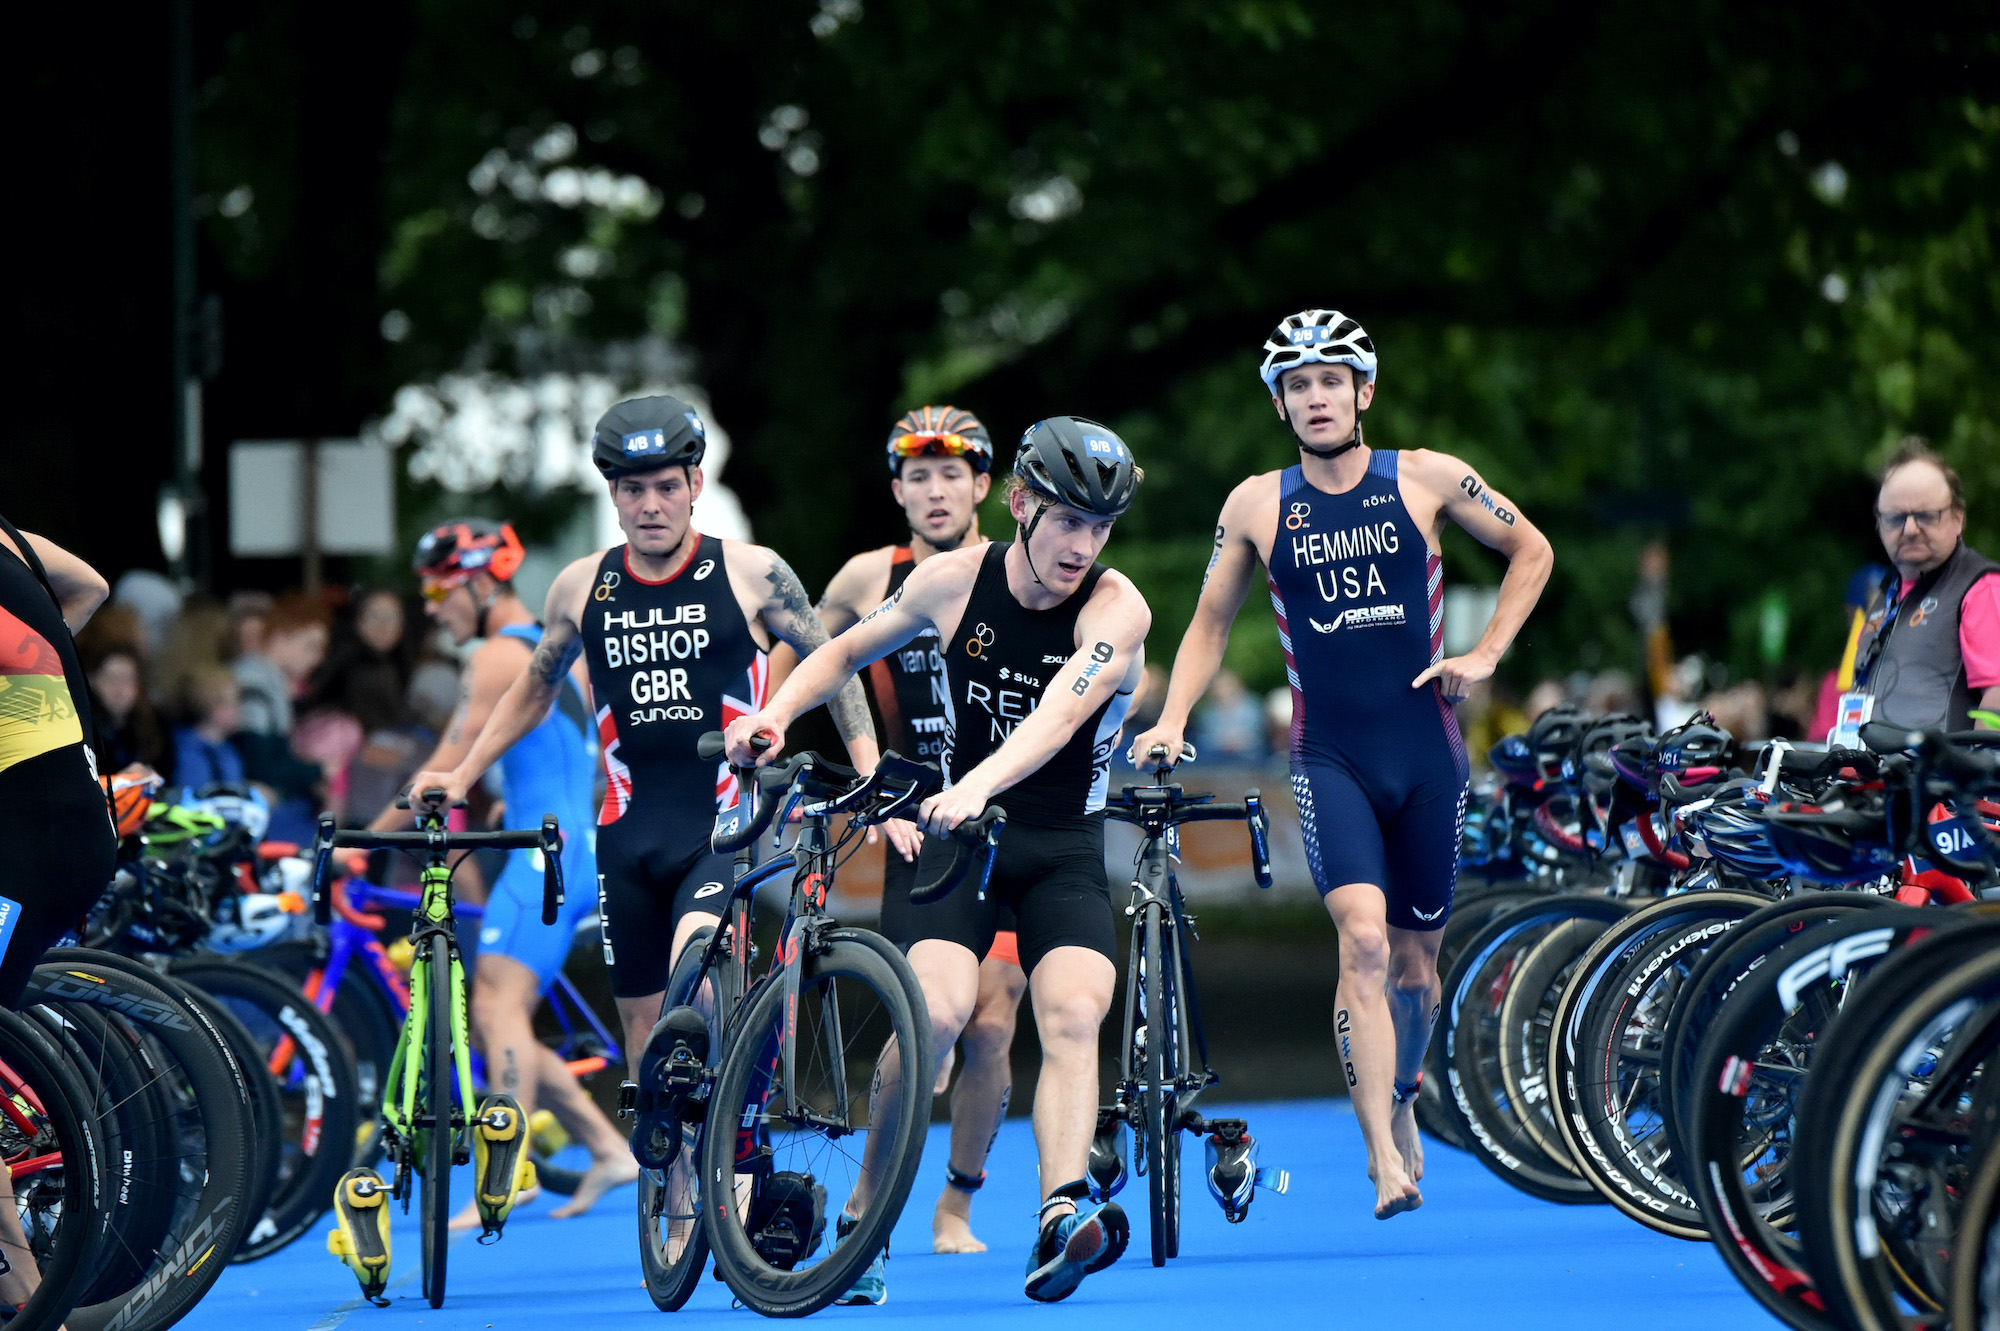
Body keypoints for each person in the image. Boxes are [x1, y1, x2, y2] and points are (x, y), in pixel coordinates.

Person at [1128, 308, 1553, 1221]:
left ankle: (1403, 1097)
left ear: (1363, 392)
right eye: (1297, 386)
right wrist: (1169, 717)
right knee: (1361, 938)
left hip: (1428, 752)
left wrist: (1486, 653)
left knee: (1415, 966)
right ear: (1280, 405)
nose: (1315, 397)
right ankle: (1379, 1155)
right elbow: (1208, 622)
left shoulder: (1429, 477)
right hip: (1330, 757)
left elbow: (1532, 548)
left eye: (1330, 381)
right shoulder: (1255, 502)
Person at [723, 415, 1151, 1304]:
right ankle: (865, 1217)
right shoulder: (952, 582)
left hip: (1062, 841)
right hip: (964, 843)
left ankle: (1059, 1212)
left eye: (1101, 526)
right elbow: (838, 649)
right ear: (1024, 503)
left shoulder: (1119, 606)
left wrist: (977, 781)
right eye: (1068, 518)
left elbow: (1062, 715)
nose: (1083, 544)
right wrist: (772, 714)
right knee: (940, 1014)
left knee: (1075, 1008)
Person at [406, 395, 879, 1081]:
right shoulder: (579, 585)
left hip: (722, 827)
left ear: (695, 485)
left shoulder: (751, 571)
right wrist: (462, 772)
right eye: (634, 489)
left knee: (702, 980)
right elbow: (534, 689)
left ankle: (729, 1165)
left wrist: (865, 767)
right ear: (614, 494)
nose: (651, 504)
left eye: (666, 486)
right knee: (643, 1034)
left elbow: (831, 661)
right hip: (625, 835)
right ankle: (673, 1183)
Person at [798, 405, 1027, 1262]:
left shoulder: (1016, 566)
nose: (935, 491)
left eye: (952, 474)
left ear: (982, 487)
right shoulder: (869, 574)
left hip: (1004, 817)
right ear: (897, 490)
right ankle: (867, 1192)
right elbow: (811, 657)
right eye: (917, 476)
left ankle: (955, 1208)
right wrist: (860, 774)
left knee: (996, 1022)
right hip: (914, 825)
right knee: (924, 1021)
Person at [370, 519, 636, 1222]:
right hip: (568, 842)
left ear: (483, 581)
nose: (431, 607)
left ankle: (508, 1161)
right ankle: (608, 1149)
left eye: (438, 588)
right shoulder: (550, 647)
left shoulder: (493, 655)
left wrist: (359, 840)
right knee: (497, 1016)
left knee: (494, 1007)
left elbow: (445, 768)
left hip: (543, 851)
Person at [1841, 437, 2000, 734]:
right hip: (1872, 777)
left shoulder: (1981, 588)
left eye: (1926, 516)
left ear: (1958, 518)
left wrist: (1972, 776)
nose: (1910, 529)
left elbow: (1997, 697)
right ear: (1879, 522)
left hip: (1938, 778)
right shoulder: (1887, 594)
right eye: (1896, 518)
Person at [173, 665, 247, 792]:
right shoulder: (187, 751)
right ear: (212, 707)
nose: (238, 710)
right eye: (230, 704)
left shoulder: (229, 751)